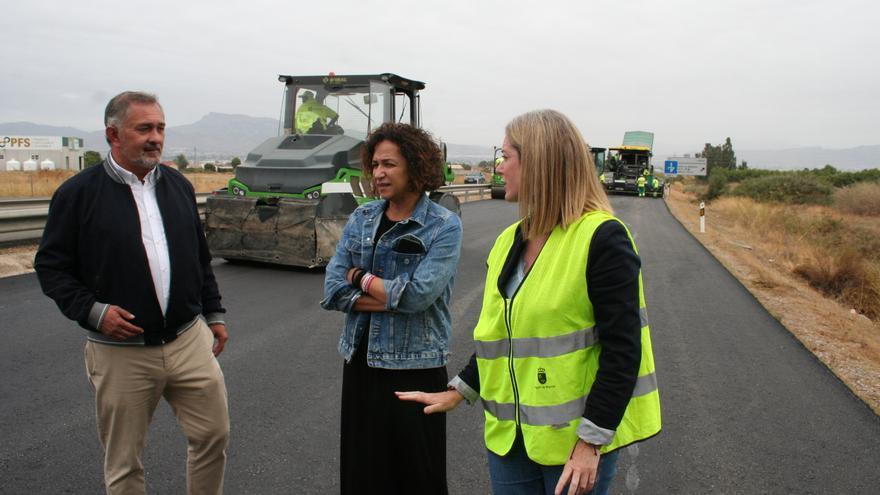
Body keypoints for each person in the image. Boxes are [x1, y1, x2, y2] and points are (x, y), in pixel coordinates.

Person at [398, 109, 661, 495]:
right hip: (511, 440)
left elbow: (623, 351)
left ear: (538, 163)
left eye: (507, 157)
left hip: (574, 447)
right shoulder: (509, 241)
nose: (499, 167)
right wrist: (460, 390)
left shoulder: (603, 239)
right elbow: (502, 336)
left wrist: (591, 442)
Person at [34, 91, 231, 495]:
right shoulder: (78, 194)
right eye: (144, 128)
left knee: (213, 436)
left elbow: (199, 258)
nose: (155, 137)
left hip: (187, 339)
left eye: (160, 128)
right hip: (120, 351)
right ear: (113, 134)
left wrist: (213, 314)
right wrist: (92, 311)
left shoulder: (177, 185)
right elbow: (51, 267)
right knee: (124, 462)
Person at [321, 122, 462, 494]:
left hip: (415, 366)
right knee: (362, 473)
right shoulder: (361, 219)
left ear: (415, 166)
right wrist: (389, 297)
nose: (378, 174)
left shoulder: (443, 225)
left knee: (417, 475)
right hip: (361, 363)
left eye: (389, 165)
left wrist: (360, 278)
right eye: (375, 165)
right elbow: (333, 290)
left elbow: (419, 296)